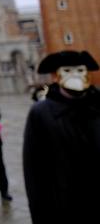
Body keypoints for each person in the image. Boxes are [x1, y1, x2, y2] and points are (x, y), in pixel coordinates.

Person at [23, 50, 100, 224]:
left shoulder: (97, 106)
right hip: (64, 207)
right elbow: (34, 170)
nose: (75, 76)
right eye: (67, 70)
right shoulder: (41, 113)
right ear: (56, 76)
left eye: (80, 70)